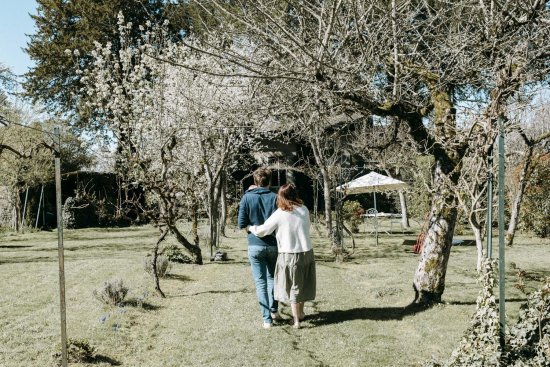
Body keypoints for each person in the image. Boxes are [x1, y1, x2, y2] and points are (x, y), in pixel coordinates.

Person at [248, 183, 316, 329]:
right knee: (303, 283)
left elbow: (263, 230)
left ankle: (296, 320)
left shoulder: (281, 213)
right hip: (307, 252)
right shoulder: (304, 210)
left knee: (293, 286)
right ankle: (301, 312)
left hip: (290, 253)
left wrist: (251, 228)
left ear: (281, 196)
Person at [238, 168, 280, 328]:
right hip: (274, 245)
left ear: (255, 181)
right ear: (269, 181)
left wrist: (251, 227)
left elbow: (241, 223)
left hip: (255, 245)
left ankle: (266, 319)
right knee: (272, 279)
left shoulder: (246, 198)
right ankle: (274, 311)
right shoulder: (275, 198)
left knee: (260, 282)